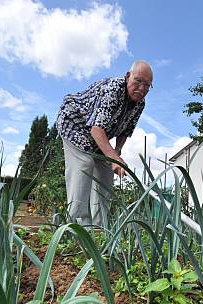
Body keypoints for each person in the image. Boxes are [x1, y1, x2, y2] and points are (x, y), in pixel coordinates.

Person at [56, 60, 153, 227]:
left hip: (100, 136)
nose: (142, 88)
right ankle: (77, 226)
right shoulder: (113, 89)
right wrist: (113, 156)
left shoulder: (140, 103)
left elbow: (125, 130)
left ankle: (100, 228)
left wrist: (117, 152)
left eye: (147, 85)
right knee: (84, 165)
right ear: (128, 76)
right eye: (138, 81)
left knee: (106, 176)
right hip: (76, 125)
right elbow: (96, 129)